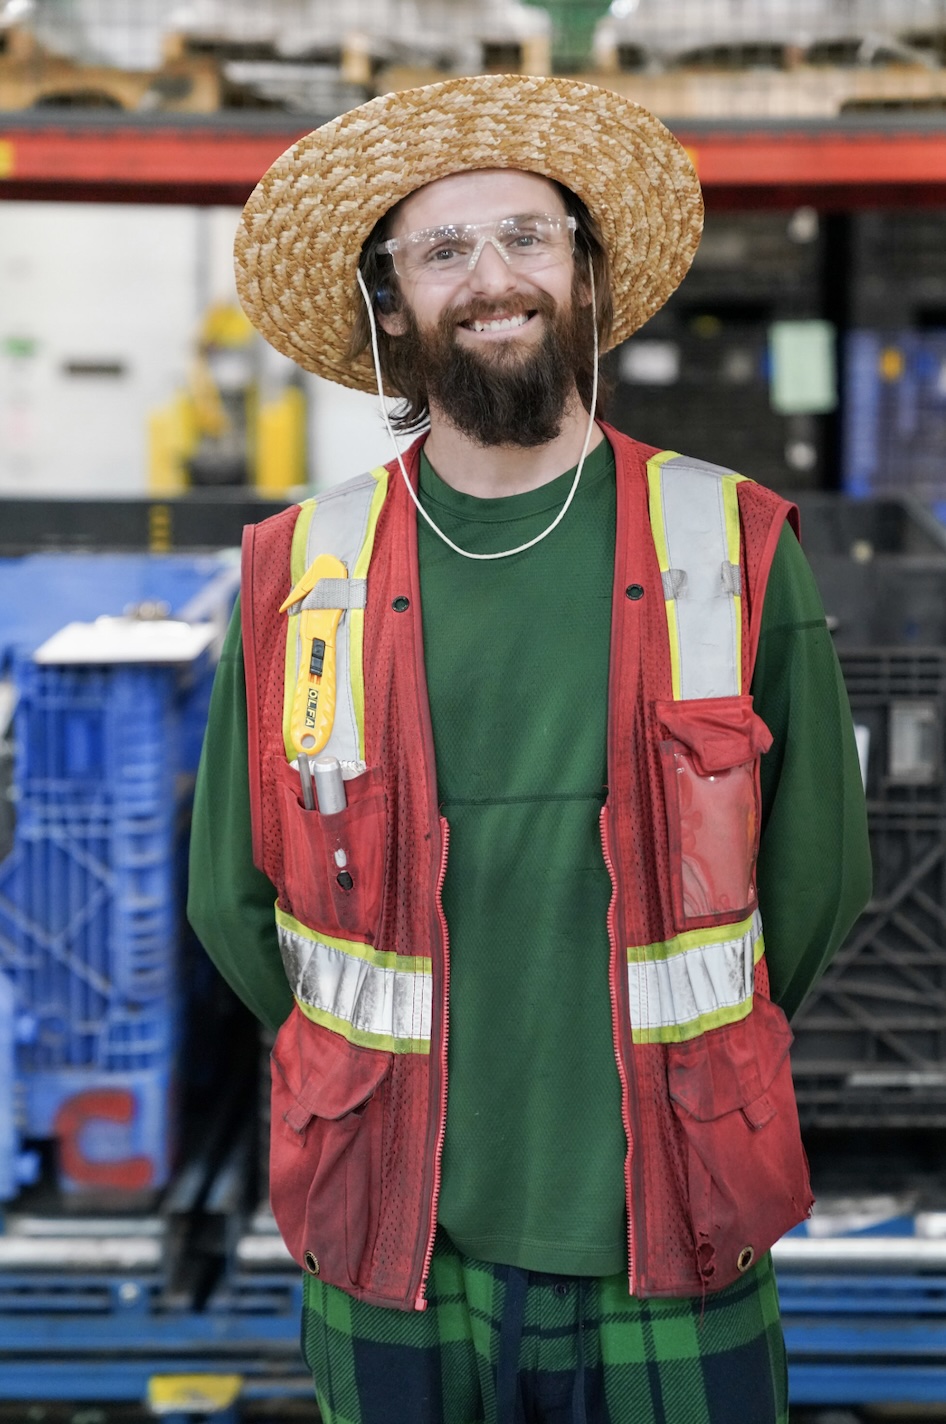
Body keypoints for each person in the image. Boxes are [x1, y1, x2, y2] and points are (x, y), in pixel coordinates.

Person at [188, 73, 871, 1424]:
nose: (491, 278)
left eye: (526, 237)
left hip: (675, 1213)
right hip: (391, 1223)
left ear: (585, 275)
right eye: (442, 249)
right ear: (392, 305)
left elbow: (819, 880)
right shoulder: (300, 571)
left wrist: (694, 1066)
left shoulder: (729, 545)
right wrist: (363, 1078)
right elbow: (229, 897)